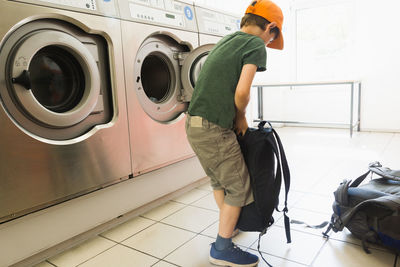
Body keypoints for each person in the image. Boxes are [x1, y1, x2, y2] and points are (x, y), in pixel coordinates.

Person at [185, 0, 284, 266]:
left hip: (194, 125)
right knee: (239, 186)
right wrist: (240, 116)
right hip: (214, 128)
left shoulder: (227, 41)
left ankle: (231, 226)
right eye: (272, 36)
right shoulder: (254, 45)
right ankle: (222, 248)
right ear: (270, 28)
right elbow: (241, 92)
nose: (269, 42)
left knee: (221, 182)